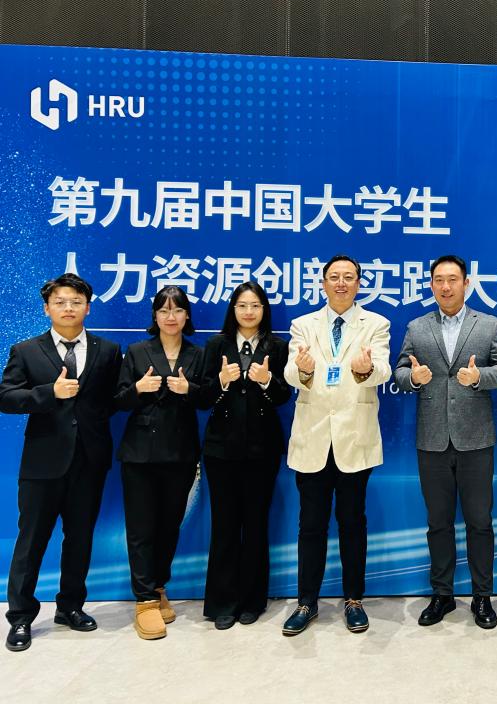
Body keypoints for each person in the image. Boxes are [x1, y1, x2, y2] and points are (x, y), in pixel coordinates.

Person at [0, 274, 122, 652]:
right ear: (47, 308)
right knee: (31, 541)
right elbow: (6, 397)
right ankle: (21, 616)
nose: (68, 308)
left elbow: (111, 400)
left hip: (89, 460)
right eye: (60, 302)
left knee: (80, 539)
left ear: (88, 307)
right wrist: (47, 393)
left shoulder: (107, 350)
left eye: (76, 301)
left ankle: (70, 607)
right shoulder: (26, 350)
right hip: (42, 463)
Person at [394, 254, 497, 630]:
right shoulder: (417, 326)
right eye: (439, 280)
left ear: (466, 283)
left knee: (480, 522)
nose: (446, 287)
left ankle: (482, 596)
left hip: (476, 439)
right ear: (431, 285)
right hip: (432, 440)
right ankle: (442, 594)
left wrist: (479, 378)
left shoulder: (489, 324)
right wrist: (413, 379)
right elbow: (400, 371)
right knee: (438, 523)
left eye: (453, 280)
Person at [281, 254, 392, 636]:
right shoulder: (303, 325)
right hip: (312, 437)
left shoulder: (375, 324)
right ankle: (306, 602)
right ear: (323, 283)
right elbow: (290, 372)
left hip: (354, 438)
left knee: (352, 523)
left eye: (348, 277)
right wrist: (304, 369)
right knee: (310, 525)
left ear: (358, 284)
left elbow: (383, 369)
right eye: (334, 277)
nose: (341, 283)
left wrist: (365, 369)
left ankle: (354, 600)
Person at [198, 281, 292, 629]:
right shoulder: (216, 345)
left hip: (262, 449)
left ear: (264, 310)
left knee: (255, 525)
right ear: (233, 310)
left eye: (255, 305)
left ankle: (252, 600)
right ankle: (223, 602)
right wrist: (222, 381)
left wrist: (266, 380)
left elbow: (283, 396)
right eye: (242, 306)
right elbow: (202, 398)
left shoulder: (277, 346)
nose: (249, 312)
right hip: (221, 449)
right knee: (224, 525)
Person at [114, 285, 203, 641]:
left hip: (180, 453)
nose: (170, 316)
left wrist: (189, 390)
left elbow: (209, 397)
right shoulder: (137, 351)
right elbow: (118, 400)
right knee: (141, 528)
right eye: (164, 310)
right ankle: (145, 599)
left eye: (177, 310)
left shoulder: (197, 354)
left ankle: (159, 585)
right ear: (155, 315)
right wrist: (138, 389)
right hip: (140, 454)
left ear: (186, 316)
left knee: (169, 526)